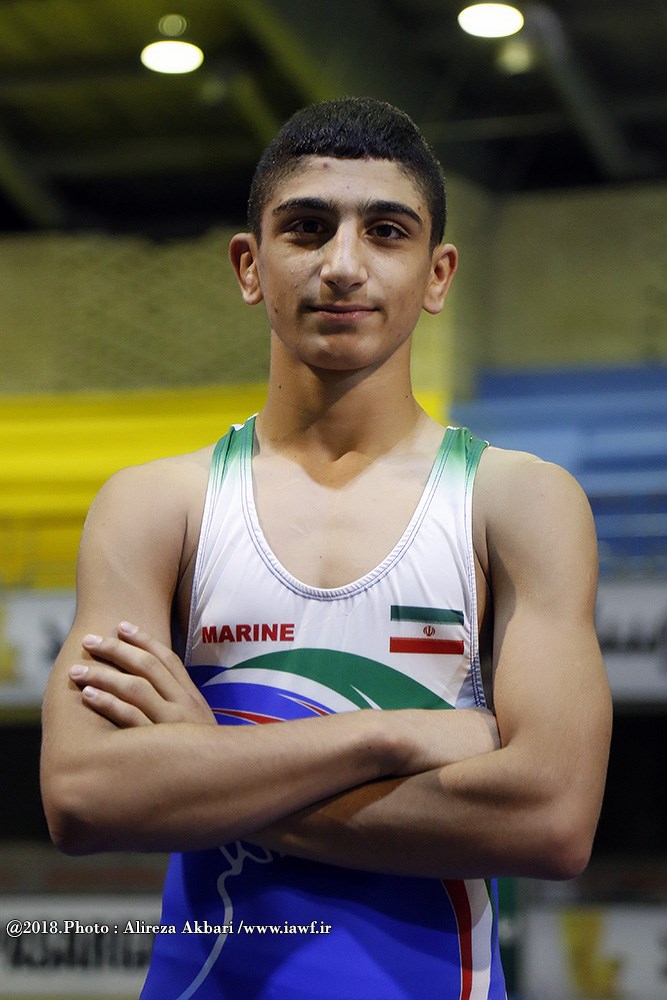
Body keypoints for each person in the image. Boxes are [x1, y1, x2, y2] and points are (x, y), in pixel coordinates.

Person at [40, 97, 612, 999]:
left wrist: (207, 759)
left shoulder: (516, 503)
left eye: (385, 231)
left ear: (436, 273)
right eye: (306, 228)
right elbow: (85, 797)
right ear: (250, 264)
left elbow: (551, 821)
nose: (343, 265)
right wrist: (388, 735)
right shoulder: (156, 506)